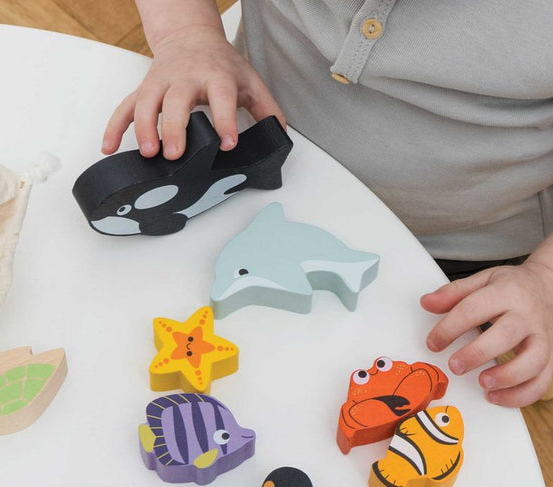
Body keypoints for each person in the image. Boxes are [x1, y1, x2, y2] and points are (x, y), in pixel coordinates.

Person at [101, 0, 553, 408]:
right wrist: (186, 34)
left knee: (511, 369)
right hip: (243, 151)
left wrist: (544, 278)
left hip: (457, 251)